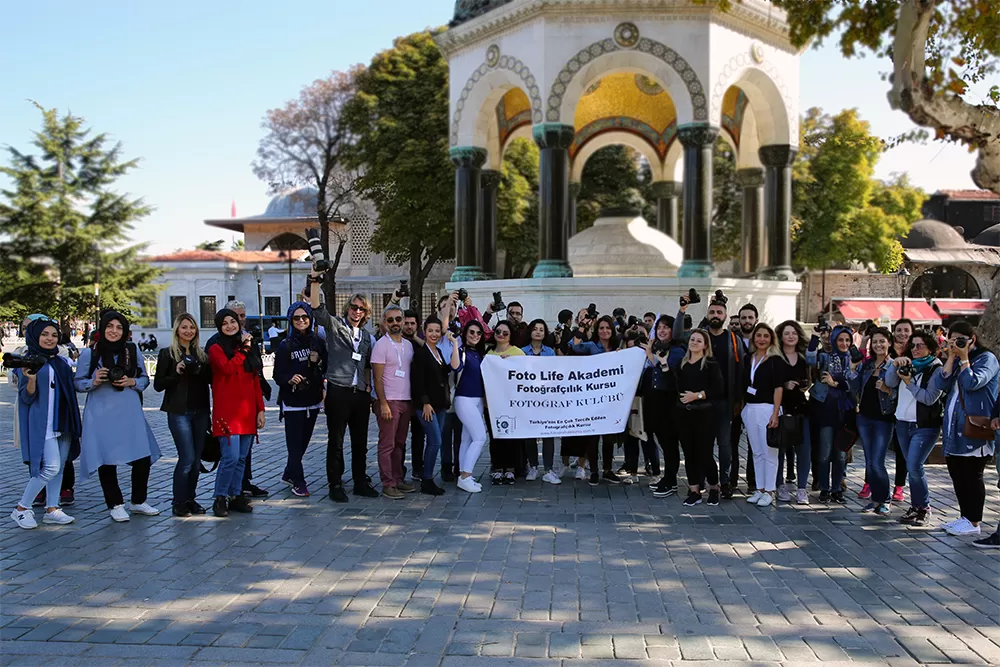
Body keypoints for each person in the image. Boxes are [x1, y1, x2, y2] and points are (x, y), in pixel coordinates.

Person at [75, 311, 162, 522]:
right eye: (109, 326)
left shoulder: (131, 350)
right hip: (101, 413)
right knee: (106, 459)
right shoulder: (90, 354)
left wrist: (133, 382)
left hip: (129, 411)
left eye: (119, 327)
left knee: (142, 456)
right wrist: (93, 381)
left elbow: (144, 377)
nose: (114, 331)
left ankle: (138, 501)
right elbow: (77, 383)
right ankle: (115, 503)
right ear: (102, 329)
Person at [308, 281, 379, 502]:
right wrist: (315, 283)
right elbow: (318, 311)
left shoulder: (366, 336)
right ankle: (335, 484)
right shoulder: (336, 327)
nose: (357, 312)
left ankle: (359, 481)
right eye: (354, 307)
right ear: (347, 308)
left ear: (366, 313)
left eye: (361, 309)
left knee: (360, 442)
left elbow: (367, 364)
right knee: (336, 441)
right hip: (339, 390)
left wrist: (368, 387)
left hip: (360, 393)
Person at [929, 322, 999, 539]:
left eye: (961, 340)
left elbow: (972, 383)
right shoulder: (956, 359)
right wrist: (951, 357)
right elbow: (940, 382)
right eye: (952, 340)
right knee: (957, 472)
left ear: (972, 340)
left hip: (976, 427)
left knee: (971, 474)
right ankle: (965, 516)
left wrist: (965, 358)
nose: (957, 345)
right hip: (953, 427)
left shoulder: (987, 359)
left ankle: (974, 520)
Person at [11, 318, 82, 529]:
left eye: (53, 334)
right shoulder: (28, 361)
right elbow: (26, 398)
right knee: (50, 466)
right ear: (34, 336)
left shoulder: (61, 362)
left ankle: (52, 508)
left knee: (59, 467)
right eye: (44, 334)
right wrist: (31, 380)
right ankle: (22, 508)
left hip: (63, 421)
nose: (50, 338)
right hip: (43, 423)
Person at [674, 291, 744, 499]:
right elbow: (678, 336)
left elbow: (740, 372)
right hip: (698, 404)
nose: (716, 314)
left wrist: (739, 400)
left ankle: (724, 482)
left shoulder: (733, 339)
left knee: (724, 444)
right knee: (699, 447)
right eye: (712, 311)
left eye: (719, 312)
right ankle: (700, 483)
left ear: (725, 315)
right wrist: (682, 310)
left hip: (722, 402)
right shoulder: (699, 336)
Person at [205, 300, 271, 498]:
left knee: (242, 457)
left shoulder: (246, 347)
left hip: (247, 411)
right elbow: (228, 369)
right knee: (230, 457)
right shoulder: (216, 347)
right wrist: (244, 349)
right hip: (227, 412)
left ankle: (236, 495)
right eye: (225, 323)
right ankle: (220, 496)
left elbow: (255, 380)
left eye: (233, 321)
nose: (231, 325)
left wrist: (260, 409)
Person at [153, 313, 212, 517]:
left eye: (192, 327)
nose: (188, 331)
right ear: (177, 329)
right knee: (186, 458)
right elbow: (158, 385)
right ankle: (178, 502)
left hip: (201, 411)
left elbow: (209, 382)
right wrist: (175, 373)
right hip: (179, 412)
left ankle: (190, 499)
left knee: (196, 461)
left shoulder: (201, 355)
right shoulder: (167, 354)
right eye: (184, 327)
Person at [884, 331, 945, 527]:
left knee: (914, 465)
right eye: (913, 345)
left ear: (931, 348)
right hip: (902, 423)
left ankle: (924, 507)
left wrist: (909, 382)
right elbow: (889, 382)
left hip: (925, 425)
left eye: (921, 345)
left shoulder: (936, 369)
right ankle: (916, 506)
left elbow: (929, 398)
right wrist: (894, 365)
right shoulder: (906, 364)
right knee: (912, 467)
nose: (916, 349)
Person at [273, 302, 327, 498]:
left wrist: (318, 364)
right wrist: (290, 379)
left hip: (312, 400)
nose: (301, 321)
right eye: (297, 318)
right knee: (294, 444)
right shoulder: (285, 345)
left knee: (303, 443)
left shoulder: (318, 342)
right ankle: (299, 480)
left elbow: (326, 366)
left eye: (305, 317)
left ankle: (289, 472)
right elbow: (278, 374)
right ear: (290, 320)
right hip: (293, 402)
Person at [671, 329, 724, 506]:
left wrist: (697, 395)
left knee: (705, 453)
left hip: (705, 414)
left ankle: (714, 487)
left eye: (698, 340)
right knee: (689, 453)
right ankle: (694, 490)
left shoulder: (710, 363)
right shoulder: (682, 363)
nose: (694, 342)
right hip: (684, 415)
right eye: (692, 339)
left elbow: (718, 389)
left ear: (705, 345)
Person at [847, 327, 896, 515]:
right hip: (864, 418)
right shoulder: (866, 365)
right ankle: (876, 500)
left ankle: (885, 499)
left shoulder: (893, 366)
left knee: (877, 462)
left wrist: (887, 390)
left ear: (889, 343)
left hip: (883, 419)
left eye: (882, 341)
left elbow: (898, 393)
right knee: (869, 461)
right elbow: (854, 388)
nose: (878, 345)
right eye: (875, 342)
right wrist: (852, 370)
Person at [571, 314, 624, 485]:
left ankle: (607, 470)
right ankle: (594, 470)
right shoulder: (591, 346)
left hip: (611, 399)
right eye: (601, 328)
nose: (605, 331)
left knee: (609, 438)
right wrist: (582, 327)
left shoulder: (619, 347)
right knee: (592, 437)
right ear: (596, 330)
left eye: (607, 327)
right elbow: (574, 346)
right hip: (593, 399)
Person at [372, 304, 416, 500]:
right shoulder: (381, 345)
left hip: (406, 401)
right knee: (387, 444)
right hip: (389, 401)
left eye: (398, 319)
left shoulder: (408, 345)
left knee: (400, 443)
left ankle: (398, 478)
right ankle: (387, 483)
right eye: (390, 320)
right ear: (385, 323)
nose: (395, 323)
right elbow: (377, 378)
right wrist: (383, 403)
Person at [809, 326, 857, 503]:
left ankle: (837, 488)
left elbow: (854, 384)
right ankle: (824, 488)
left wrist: (835, 383)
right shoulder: (825, 357)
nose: (844, 343)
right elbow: (810, 359)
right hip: (825, 410)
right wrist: (814, 339)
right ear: (834, 341)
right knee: (824, 452)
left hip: (845, 412)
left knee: (841, 454)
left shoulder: (854, 360)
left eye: (847, 340)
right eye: (840, 340)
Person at [740, 323, 782, 507]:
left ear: (771, 338)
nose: (762, 339)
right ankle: (760, 488)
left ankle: (770, 490)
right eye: (759, 336)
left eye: (766, 336)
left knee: (769, 452)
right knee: (756, 452)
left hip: (767, 408)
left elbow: (778, 387)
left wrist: (775, 413)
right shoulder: (748, 358)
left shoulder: (775, 360)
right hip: (750, 408)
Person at [410, 315, 451, 496]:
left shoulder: (439, 352)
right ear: (424, 332)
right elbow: (418, 381)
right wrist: (425, 402)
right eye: (430, 331)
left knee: (435, 441)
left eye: (437, 331)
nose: (434, 334)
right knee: (435, 441)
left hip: (440, 405)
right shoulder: (421, 353)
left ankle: (428, 477)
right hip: (427, 406)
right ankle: (427, 479)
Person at [647, 315, 686, 499]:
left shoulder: (676, 350)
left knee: (670, 444)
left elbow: (671, 376)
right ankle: (667, 477)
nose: (662, 330)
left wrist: (661, 361)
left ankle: (671, 480)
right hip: (657, 400)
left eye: (666, 327)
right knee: (662, 440)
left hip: (670, 401)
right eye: (659, 327)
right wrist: (649, 350)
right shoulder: (658, 348)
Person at [773, 321, 811, 504]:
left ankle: (802, 488)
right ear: (780, 336)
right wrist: (785, 385)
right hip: (782, 408)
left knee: (803, 449)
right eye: (786, 333)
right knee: (780, 449)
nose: (790, 336)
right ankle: (780, 485)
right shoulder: (776, 357)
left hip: (801, 407)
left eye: (793, 333)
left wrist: (805, 386)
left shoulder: (804, 358)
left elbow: (810, 379)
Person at [486, 320, 527, 484]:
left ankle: (510, 468)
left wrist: (513, 363)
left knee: (511, 436)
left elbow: (526, 375)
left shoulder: (518, 353)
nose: (501, 335)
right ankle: (497, 467)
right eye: (498, 332)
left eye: (505, 333)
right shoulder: (488, 353)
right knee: (495, 436)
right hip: (492, 403)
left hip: (512, 403)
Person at [451, 320, 488, 494]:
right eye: (471, 332)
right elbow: (456, 366)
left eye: (478, 333)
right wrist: (454, 343)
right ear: (465, 333)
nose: (474, 335)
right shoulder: (461, 351)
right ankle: (465, 476)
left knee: (467, 439)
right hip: (464, 399)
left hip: (478, 400)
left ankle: (464, 475)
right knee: (480, 437)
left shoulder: (479, 353)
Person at [522, 319, 558, 484]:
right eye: (535, 329)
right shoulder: (521, 352)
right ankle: (533, 467)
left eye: (541, 329)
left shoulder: (550, 352)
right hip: (528, 399)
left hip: (546, 399)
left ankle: (549, 469)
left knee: (548, 434)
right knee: (530, 433)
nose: (538, 332)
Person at [733, 303, 759, 492]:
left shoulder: (762, 342)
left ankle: (753, 481)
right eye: (743, 318)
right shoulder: (732, 341)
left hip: (756, 401)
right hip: (735, 400)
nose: (747, 321)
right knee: (732, 442)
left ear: (756, 320)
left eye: (750, 318)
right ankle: (732, 480)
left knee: (754, 443)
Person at [401, 309, 425, 481]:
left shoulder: (420, 343)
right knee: (399, 437)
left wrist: (416, 338)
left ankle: (418, 468)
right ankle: (399, 469)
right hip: (400, 396)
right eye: (406, 323)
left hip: (417, 397)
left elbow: (431, 354)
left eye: (412, 323)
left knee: (419, 435)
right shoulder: (396, 341)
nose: (409, 327)